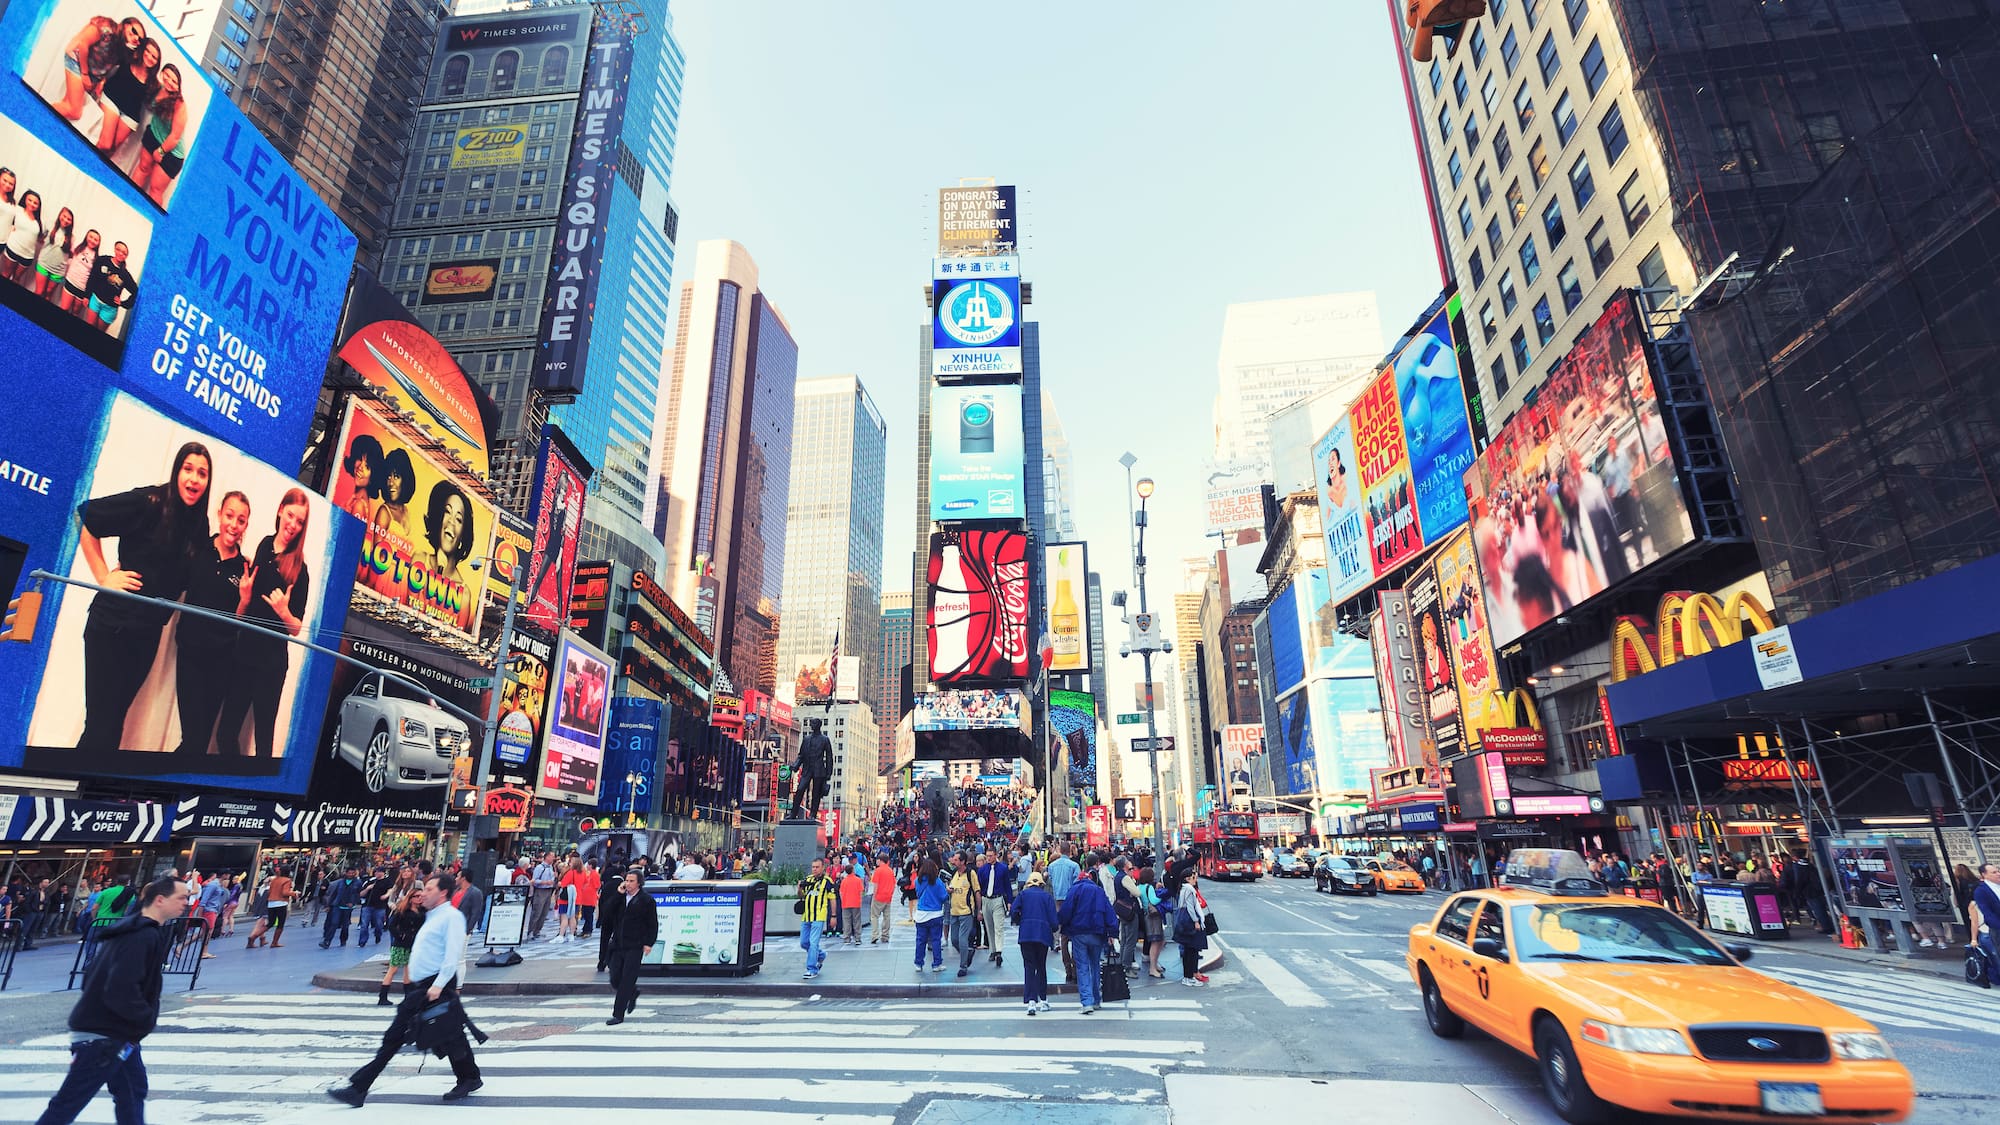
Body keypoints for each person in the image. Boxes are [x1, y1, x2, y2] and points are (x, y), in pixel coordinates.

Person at [74, 442, 212, 751]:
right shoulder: (149, 501)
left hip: (147, 635)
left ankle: (86, 792)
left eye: (202, 473)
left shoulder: (199, 525)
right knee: (100, 724)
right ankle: (70, 792)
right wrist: (103, 577)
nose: (194, 479)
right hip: (111, 626)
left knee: (113, 721)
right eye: (187, 469)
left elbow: (189, 578)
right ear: (177, 471)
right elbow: (85, 515)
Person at [32, 876, 185, 1125]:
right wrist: (145, 1019)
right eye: (181, 897)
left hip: (116, 1033)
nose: (186, 903)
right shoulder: (142, 936)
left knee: (132, 1090)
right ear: (160, 900)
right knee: (68, 1104)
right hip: (106, 1035)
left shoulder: (131, 930)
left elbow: (90, 976)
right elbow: (121, 988)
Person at [328, 874, 482, 1106]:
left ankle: (358, 1087)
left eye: (429, 889)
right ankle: (469, 1077)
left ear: (442, 893)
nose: (424, 892)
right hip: (424, 986)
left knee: (398, 1036)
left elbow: (453, 954)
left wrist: (438, 986)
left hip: (433, 985)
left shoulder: (451, 917)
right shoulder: (431, 916)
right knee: (449, 1034)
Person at [216, 489, 313, 758]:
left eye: (300, 521)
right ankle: (230, 790)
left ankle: (254, 798)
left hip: (271, 665)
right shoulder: (263, 545)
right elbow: (249, 600)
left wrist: (284, 612)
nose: (293, 524)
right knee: (225, 733)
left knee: (263, 743)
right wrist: (244, 597)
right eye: (291, 515)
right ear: (281, 510)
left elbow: (296, 628)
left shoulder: (300, 570)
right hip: (243, 654)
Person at [173, 490, 251, 756]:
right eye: (230, 516)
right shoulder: (198, 550)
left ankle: (174, 793)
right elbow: (174, 582)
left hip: (221, 663)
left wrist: (244, 598)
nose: (234, 524)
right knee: (193, 739)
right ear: (219, 515)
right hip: (190, 656)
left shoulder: (246, 569)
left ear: (246, 526)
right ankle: (160, 790)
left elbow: (239, 621)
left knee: (200, 741)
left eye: (241, 520)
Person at [1056, 858, 1117, 1014]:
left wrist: (1060, 924)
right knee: (1095, 965)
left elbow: (1066, 911)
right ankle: (1096, 999)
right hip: (1097, 932)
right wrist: (1112, 933)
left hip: (1079, 933)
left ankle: (1087, 1002)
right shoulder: (1098, 891)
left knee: (1082, 967)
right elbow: (1109, 913)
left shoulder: (1074, 890)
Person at [133, 65, 190, 208]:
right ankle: (128, 199)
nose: (169, 81)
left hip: (171, 152)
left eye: (174, 81)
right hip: (153, 136)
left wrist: (161, 151)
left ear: (178, 86)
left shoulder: (179, 104)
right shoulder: (158, 88)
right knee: (142, 169)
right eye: (168, 76)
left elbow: (176, 136)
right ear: (162, 73)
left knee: (155, 190)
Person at [605, 871, 656, 1025]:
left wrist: (649, 943)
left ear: (639, 883)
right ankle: (632, 993)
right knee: (615, 978)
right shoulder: (621, 898)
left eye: (631, 881)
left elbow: (652, 924)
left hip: (635, 944)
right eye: (626, 880)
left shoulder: (646, 900)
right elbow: (607, 913)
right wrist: (617, 895)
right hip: (618, 944)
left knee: (627, 979)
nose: (627, 884)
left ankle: (618, 1014)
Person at [1011, 870, 1057, 1015]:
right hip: (1042, 934)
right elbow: (1053, 919)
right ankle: (1043, 999)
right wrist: (1054, 928)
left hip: (1026, 933)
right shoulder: (1047, 896)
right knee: (1041, 966)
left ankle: (1031, 1001)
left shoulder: (1023, 895)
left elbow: (1013, 910)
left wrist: (1019, 921)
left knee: (1029, 966)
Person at [378, 887, 423, 1006]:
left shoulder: (422, 911)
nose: (420, 898)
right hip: (401, 944)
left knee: (408, 970)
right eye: (417, 896)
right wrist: (400, 936)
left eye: (421, 896)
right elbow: (392, 926)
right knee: (393, 969)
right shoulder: (403, 910)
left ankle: (408, 996)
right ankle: (383, 996)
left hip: (414, 944)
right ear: (411, 898)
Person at [797, 858, 836, 981]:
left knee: (813, 943)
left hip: (819, 916)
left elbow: (832, 899)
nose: (814, 869)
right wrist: (799, 888)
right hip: (806, 916)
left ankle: (812, 969)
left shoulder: (827, 881)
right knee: (804, 942)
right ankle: (821, 955)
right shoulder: (808, 879)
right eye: (813, 867)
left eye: (817, 867)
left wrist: (833, 916)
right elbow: (801, 896)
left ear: (823, 867)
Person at [1046, 843, 1080, 980]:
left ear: (1060, 850)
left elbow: (1052, 880)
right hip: (1071, 901)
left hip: (1058, 900)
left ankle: (1067, 969)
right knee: (1075, 935)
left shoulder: (1052, 866)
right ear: (1070, 851)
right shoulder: (1074, 866)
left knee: (1063, 936)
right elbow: (1077, 885)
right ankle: (1076, 968)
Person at [976, 848, 1013, 968]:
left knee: (999, 926)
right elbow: (979, 887)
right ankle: (993, 949)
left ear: (996, 855)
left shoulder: (1003, 869)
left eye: (991, 856)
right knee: (989, 926)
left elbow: (1007, 885)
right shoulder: (982, 870)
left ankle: (999, 951)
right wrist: (979, 906)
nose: (989, 858)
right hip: (986, 899)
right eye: (987, 856)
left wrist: (1009, 901)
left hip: (998, 898)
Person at [1174, 870, 1212, 987]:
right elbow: (1190, 907)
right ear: (1187, 879)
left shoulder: (1183, 889)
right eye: (1193, 877)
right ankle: (1189, 977)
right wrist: (1196, 921)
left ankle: (1188, 976)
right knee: (1192, 951)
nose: (1196, 879)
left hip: (1185, 924)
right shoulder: (1189, 890)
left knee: (1188, 951)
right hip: (1190, 923)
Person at [912, 859, 948, 973]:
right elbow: (944, 897)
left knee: (920, 940)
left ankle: (918, 963)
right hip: (935, 914)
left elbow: (917, 893)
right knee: (936, 940)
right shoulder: (937, 882)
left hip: (921, 915)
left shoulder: (918, 881)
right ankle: (936, 964)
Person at [947, 852, 979, 977]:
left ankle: (963, 966)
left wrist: (978, 910)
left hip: (966, 911)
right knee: (954, 939)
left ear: (963, 861)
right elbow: (952, 887)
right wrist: (949, 890)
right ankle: (967, 954)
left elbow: (977, 892)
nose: (953, 862)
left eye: (956, 860)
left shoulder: (971, 874)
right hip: (954, 911)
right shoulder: (955, 874)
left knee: (962, 939)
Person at [1971, 863, 2000, 988]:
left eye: (1998, 871)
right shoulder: (1981, 891)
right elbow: (1987, 913)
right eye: (1994, 872)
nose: (1998, 873)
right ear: (1984, 875)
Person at [319, 866, 361, 948]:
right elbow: (334, 894)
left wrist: (353, 903)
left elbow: (358, 894)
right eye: (349, 873)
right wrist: (329, 905)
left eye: (352, 873)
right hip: (337, 905)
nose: (350, 874)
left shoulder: (358, 883)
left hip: (348, 907)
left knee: (345, 926)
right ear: (346, 873)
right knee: (334, 923)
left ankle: (343, 940)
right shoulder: (340, 882)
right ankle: (327, 941)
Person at [1136, 867, 1167, 978]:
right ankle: (1153, 967)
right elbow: (1153, 900)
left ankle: (1154, 966)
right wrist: (1163, 896)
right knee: (1156, 941)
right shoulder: (1149, 887)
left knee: (1158, 941)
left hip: (1146, 915)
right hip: (1153, 917)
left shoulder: (1139, 886)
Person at [357, 866, 394, 948]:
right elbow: (361, 894)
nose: (377, 873)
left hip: (380, 906)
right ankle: (362, 941)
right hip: (368, 905)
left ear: (383, 873)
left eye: (379, 872)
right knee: (364, 924)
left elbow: (391, 890)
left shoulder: (387, 881)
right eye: (376, 872)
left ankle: (378, 935)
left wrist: (386, 895)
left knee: (378, 923)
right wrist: (367, 889)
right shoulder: (370, 881)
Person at [526, 853, 556, 939]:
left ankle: (537, 931)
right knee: (537, 911)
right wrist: (545, 882)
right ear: (547, 857)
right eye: (552, 857)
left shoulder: (551, 867)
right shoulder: (539, 868)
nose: (553, 858)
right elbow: (534, 880)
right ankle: (531, 931)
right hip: (540, 890)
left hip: (548, 890)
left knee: (544, 912)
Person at [868, 855, 897, 944]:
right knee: (887, 917)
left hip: (879, 896)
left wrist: (874, 895)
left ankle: (875, 935)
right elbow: (893, 884)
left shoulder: (878, 870)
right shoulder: (890, 870)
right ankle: (885, 935)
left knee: (874, 916)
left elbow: (875, 885)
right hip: (888, 897)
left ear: (880, 860)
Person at [838, 862, 865, 946]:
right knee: (856, 921)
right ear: (853, 870)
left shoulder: (844, 881)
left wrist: (843, 901)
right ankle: (857, 938)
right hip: (856, 903)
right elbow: (861, 891)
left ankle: (847, 938)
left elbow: (841, 893)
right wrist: (860, 900)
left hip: (846, 903)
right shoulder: (858, 880)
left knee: (846, 921)